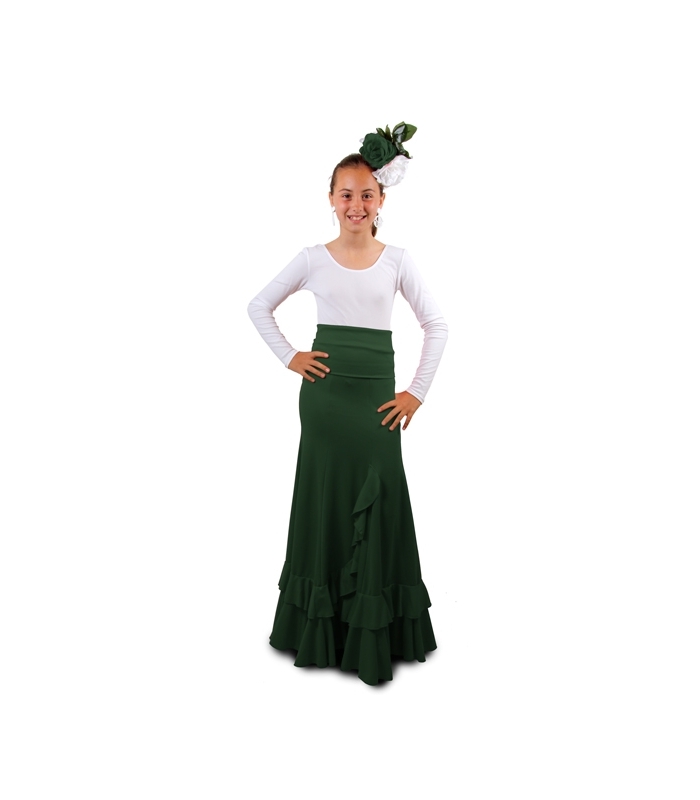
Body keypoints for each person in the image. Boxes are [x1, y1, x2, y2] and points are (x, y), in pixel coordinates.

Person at [247, 124, 448, 685]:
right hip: (326, 404)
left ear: (381, 199)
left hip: (378, 405)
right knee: (325, 500)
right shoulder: (312, 258)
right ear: (331, 199)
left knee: (381, 499)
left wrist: (415, 392)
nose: (355, 204)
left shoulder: (398, 260)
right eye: (346, 194)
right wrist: (291, 356)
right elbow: (258, 306)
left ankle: (376, 632)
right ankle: (322, 629)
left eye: (366, 194)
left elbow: (437, 324)